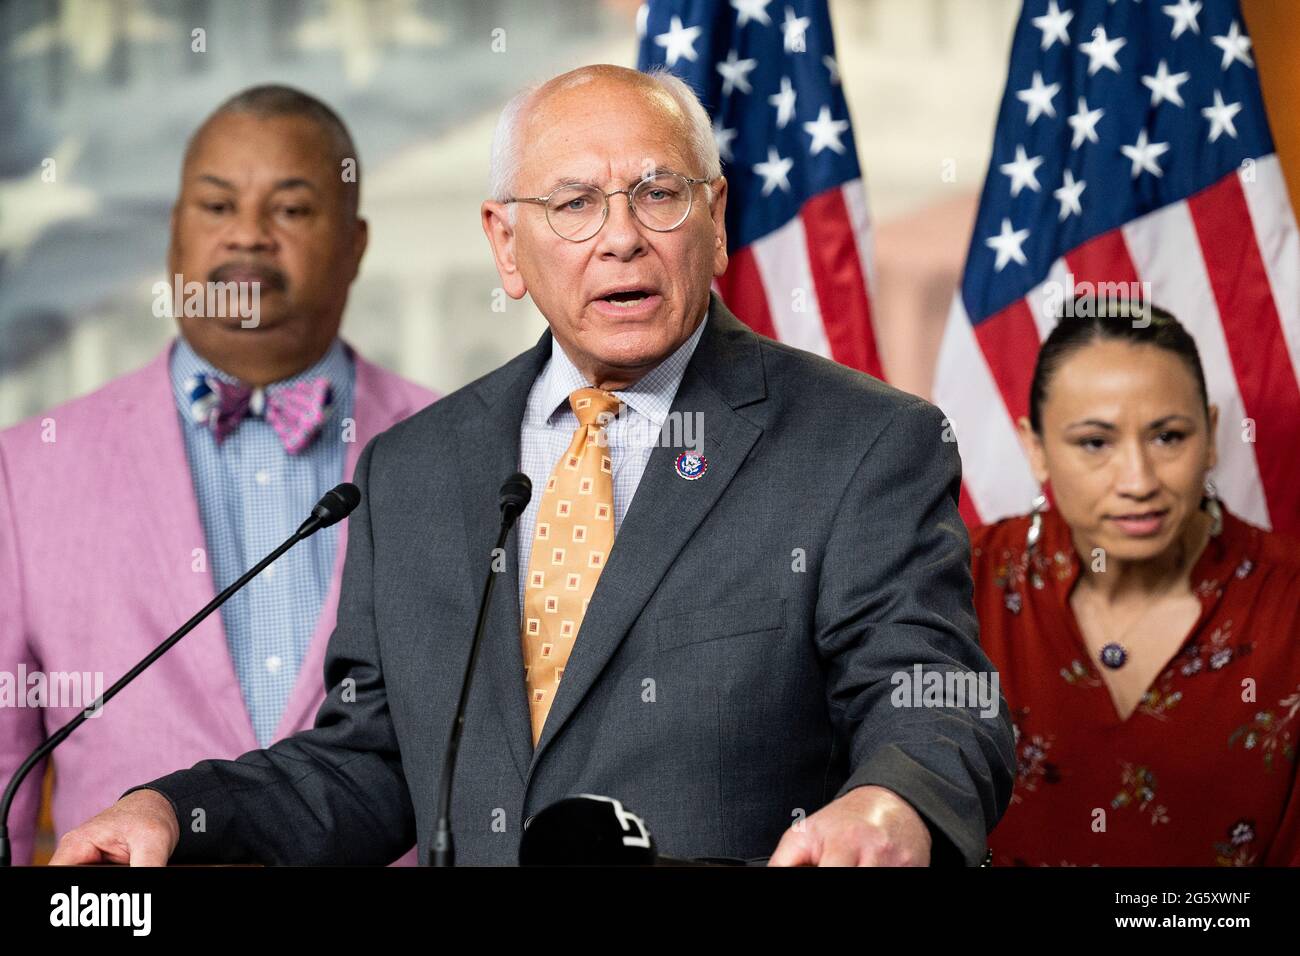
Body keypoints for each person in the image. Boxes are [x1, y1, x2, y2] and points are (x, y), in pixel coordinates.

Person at [51, 65, 1013, 868]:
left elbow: (930, 693)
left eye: (660, 192)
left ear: (716, 223)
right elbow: (375, 759)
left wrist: (894, 803)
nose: (623, 234)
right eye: (575, 203)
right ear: (506, 246)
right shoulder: (415, 469)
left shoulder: (862, 443)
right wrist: (178, 812)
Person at [0, 85, 435, 865]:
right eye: (216, 207)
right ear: (173, 238)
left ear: (356, 244)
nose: (249, 237)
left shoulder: (460, 453)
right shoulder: (25, 470)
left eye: (292, 210)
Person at [971, 299, 1300, 866]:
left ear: (1212, 434)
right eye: (1095, 443)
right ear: (1036, 449)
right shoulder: (956, 583)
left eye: (1168, 437)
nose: (1139, 481)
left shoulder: (1288, 604)